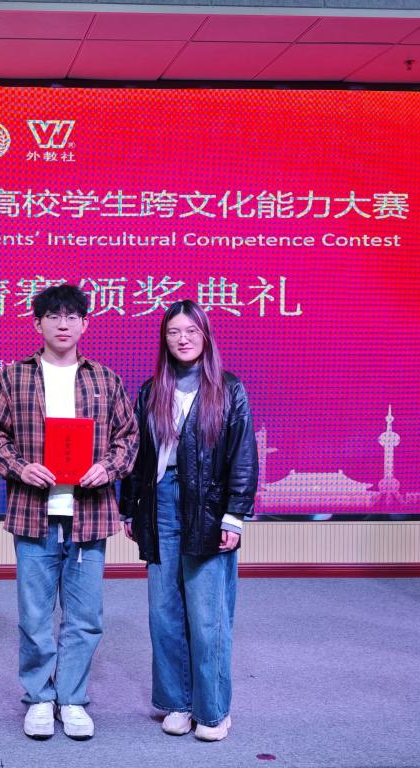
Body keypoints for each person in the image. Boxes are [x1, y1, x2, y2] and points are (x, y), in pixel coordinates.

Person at [0, 284, 138, 741]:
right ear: (38, 323)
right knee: (34, 616)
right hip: (35, 514)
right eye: (53, 316)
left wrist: (107, 468)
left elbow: (129, 438)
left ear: (85, 324)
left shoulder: (105, 379)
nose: (63, 324)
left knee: (85, 616)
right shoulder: (15, 377)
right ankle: (38, 697)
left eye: (72, 316)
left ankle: (71, 698)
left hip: (89, 515)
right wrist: (20, 467)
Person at [119, 299, 258, 742]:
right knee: (164, 613)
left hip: (208, 507)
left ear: (205, 336)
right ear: (164, 338)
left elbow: (243, 457)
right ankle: (177, 703)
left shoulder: (229, 389)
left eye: (191, 331)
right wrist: (130, 508)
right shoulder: (150, 391)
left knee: (207, 614)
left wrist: (234, 516)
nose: (183, 339)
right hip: (159, 503)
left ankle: (212, 711)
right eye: (174, 332)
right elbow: (138, 458)